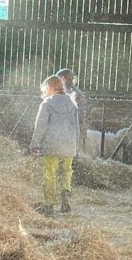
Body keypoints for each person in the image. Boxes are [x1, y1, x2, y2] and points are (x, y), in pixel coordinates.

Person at [30, 74, 79, 215]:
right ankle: (65, 198)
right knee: (66, 171)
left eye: (45, 88)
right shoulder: (72, 103)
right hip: (69, 145)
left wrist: (34, 145)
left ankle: (49, 205)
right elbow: (77, 127)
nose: (44, 92)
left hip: (52, 144)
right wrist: (75, 146)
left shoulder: (47, 103)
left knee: (50, 173)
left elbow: (40, 126)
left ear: (51, 87)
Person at [56, 68, 90, 152]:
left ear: (63, 78)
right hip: (79, 129)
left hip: (70, 130)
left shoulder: (69, 94)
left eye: (58, 79)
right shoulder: (77, 92)